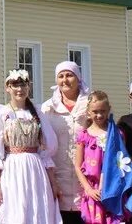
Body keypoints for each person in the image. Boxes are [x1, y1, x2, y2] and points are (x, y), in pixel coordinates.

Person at [0, 68, 62, 224]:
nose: (20, 89)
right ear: (8, 88)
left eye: (23, 85)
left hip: (36, 171)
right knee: (15, 211)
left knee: (36, 210)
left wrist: (53, 184)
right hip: (12, 170)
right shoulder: (1, 114)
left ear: (28, 87)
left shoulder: (38, 114)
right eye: (15, 85)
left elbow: (46, 151)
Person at [42, 61, 90, 224]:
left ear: (78, 78)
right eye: (61, 76)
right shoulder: (47, 108)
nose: (65, 80)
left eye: (69, 75)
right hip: (57, 178)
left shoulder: (91, 105)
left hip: (85, 178)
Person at [74, 91, 122, 224]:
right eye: (95, 111)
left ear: (108, 110)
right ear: (88, 112)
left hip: (112, 189)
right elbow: (78, 166)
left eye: (103, 111)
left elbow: (122, 162)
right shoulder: (84, 136)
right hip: (93, 192)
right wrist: (88, 189)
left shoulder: (117, 134)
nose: (99, 115)